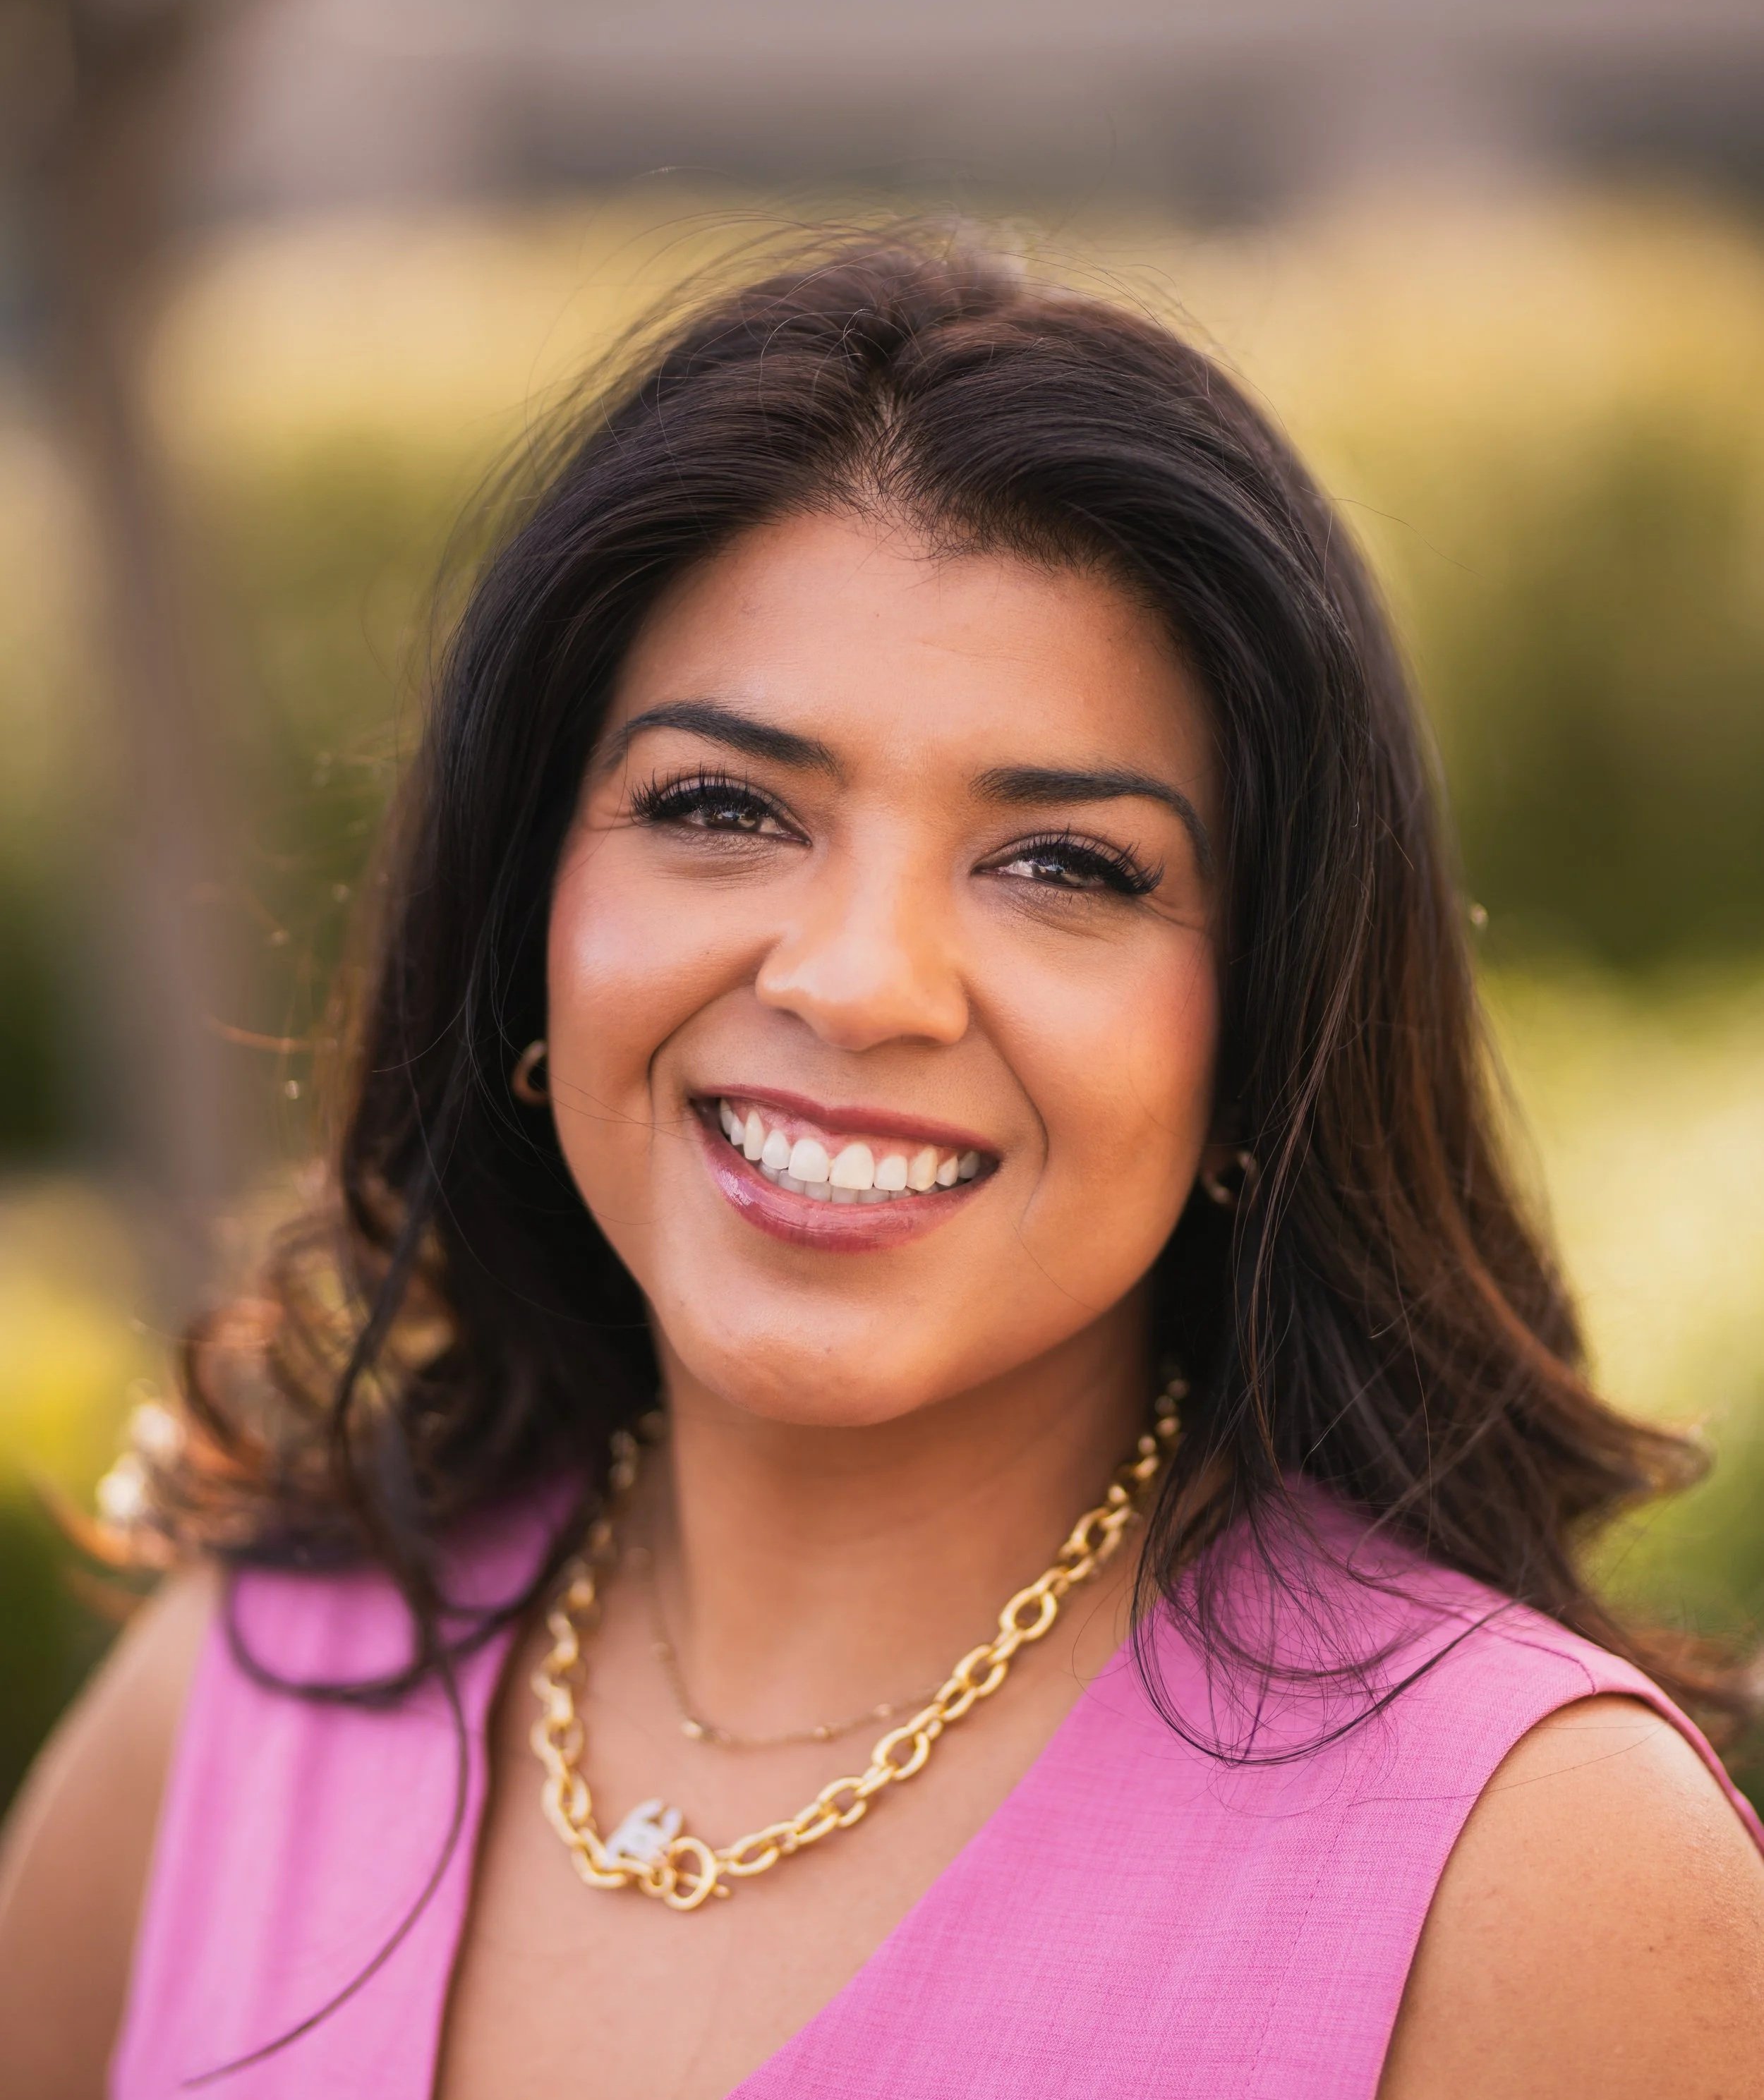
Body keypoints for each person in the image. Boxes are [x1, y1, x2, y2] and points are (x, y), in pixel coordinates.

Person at [1, 236, 1760, 2100]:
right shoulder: (239, 1703)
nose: (854, 981)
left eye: (1065, 865)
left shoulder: (1538, 1874)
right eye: (721, 807)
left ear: (1267, 1030)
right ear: (529, 919)